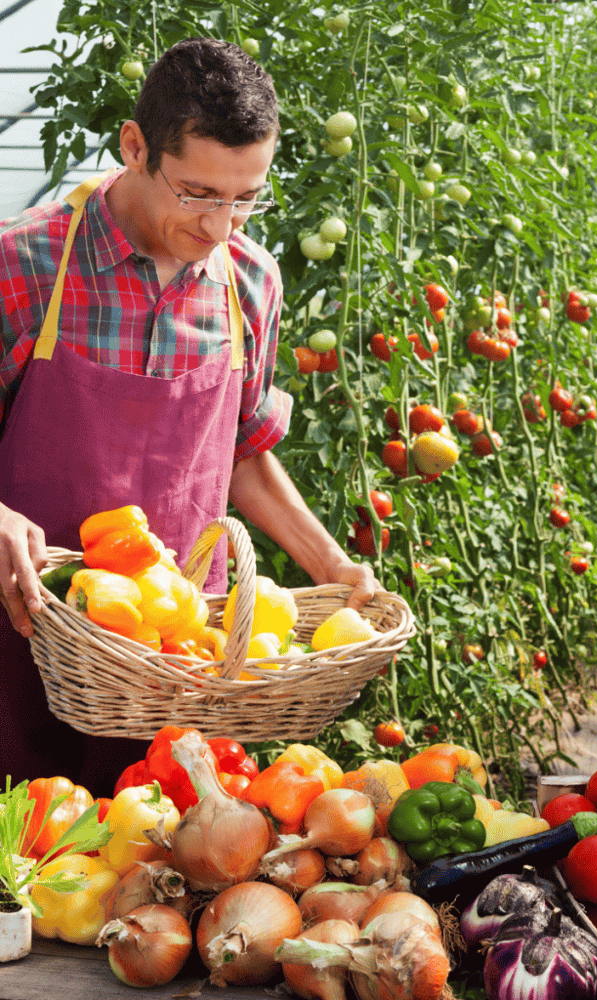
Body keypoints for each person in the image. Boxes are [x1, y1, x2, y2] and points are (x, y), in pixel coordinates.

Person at [0, 38, 378, 794]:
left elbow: (240, 453)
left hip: (173, 660)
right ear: (135, 148)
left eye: (247, 199)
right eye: (199, 193)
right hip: (22, 637)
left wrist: (329, 563)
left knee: (148, 876)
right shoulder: (25, 265)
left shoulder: (251, 283)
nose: (221, 227)